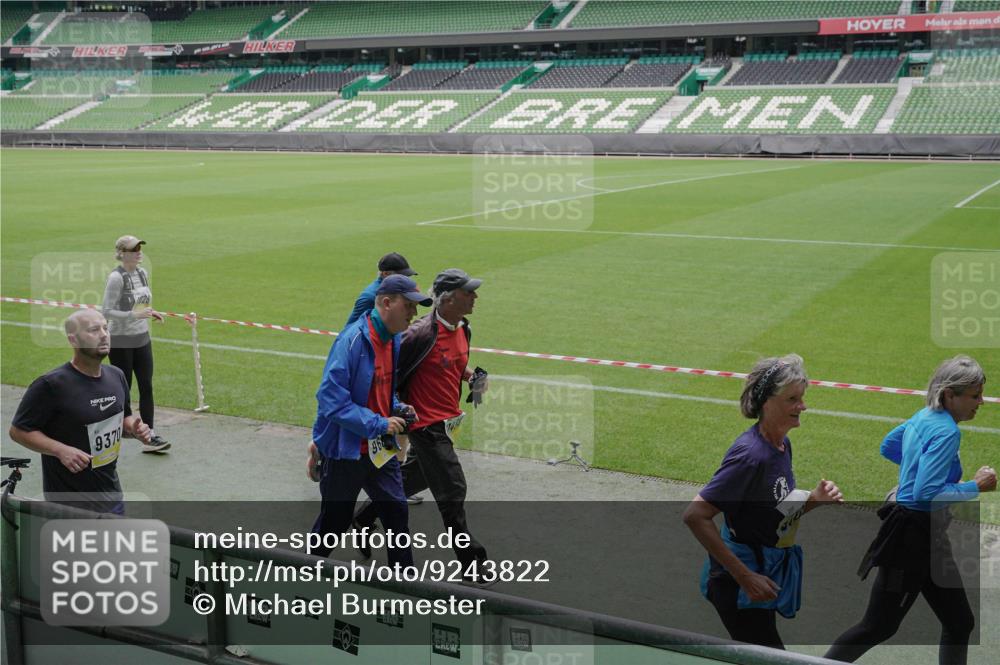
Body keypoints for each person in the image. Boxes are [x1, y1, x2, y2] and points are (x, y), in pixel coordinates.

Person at [824, 356, 993, 665]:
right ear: (949, 395)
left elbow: (888, 446)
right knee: (878, 626)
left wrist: (917, 469)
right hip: (911, 539)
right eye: (974, 395)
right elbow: (926, 493)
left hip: (928, 539)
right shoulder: (947, 432)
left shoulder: (925, 415)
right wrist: (975, 486)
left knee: (959, 622)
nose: (981, 402)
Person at [683, 354, 843, 649]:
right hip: (737, 583)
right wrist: (745, 577)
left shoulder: (781, 445)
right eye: (793, 399)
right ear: (767, 402)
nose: (803, 406)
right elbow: (695, 515)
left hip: (763, 573)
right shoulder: (750, 456)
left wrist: (813, 501)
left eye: (802, 397)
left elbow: (771, 515)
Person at [363, 268, 492, 584]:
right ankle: (471, 563)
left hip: (448, 422)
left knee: (412, 480)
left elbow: (454, 364)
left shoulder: (464, 328)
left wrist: (471, 377)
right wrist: (394, 416)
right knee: (452, 490)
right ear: (448, 299)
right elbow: (387, 375)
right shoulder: (419, 334)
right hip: (426, 425)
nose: (475, 297)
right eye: (468, 292)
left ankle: (363, 518)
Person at [308, 275, 431, 566]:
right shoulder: (350, 341)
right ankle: (303, 578)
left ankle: (405, 590)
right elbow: (330, 400)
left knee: (397, 515)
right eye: (408, 306)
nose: (414, 314)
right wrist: (379, 423)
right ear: (386, 303)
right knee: (334, 524)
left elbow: (377, 390)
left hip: (379, 451)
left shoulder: (393, 339)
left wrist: (397, 407)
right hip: (346, 453)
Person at [9, 310, 154, 515]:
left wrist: (133, 428)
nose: (104, 334)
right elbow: (18, 430)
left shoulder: (116, 376)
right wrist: (60, 450)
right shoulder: (51, 385)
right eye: (94, 330)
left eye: (106, 327)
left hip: (112, 496)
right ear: (73, 339)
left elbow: (122, 419)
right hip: (67, 504)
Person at [102, 235, 169, 453]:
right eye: (134, 248)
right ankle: (117, 430)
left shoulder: (142, 273)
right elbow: (106, 311)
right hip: (121, 341)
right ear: (122, 253)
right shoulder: (116, 278)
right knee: (124, 388)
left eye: (140, 247)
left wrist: (152, 312)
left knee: (146, 386)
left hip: (141, 338)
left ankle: (148, 434)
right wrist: (132, 316)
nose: (139, 251)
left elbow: (142, 303)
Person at [345, 252, 418, 328]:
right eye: (401, 276)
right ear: (385, 274)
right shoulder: (370, 297)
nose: (406, 279)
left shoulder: (397, 290)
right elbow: (351, 329)